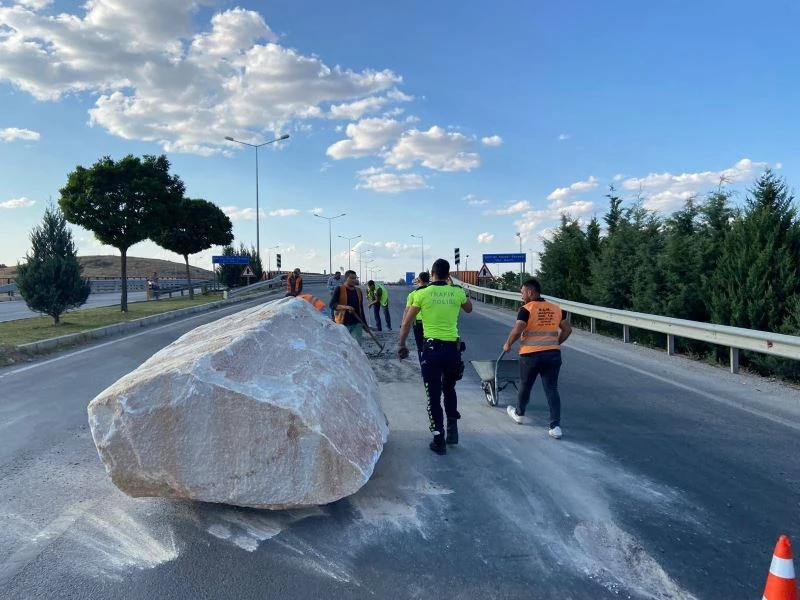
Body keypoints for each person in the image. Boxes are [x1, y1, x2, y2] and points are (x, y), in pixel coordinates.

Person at [398, 259, 472, 455]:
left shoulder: (422, 294)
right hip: (452, 351)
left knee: (433, 396)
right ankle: (453, 430)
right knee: (449, 389)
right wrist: (456, 289)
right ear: (448, 275)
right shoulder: (457, 291)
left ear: (431, 274)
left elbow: (407, 323)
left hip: (431, 351)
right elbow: (469, 308)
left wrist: (402, 344)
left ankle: (438, 441)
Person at [502, 277, 572, 439]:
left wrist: (508, 344)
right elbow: (567, 330)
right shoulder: (556, 308)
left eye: (522, 292)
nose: (521, 296)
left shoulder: (526, 309)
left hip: (530, 355)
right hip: (552, 354)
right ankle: (555, 427)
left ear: (530, 292)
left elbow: (518, 328)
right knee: (552, 389)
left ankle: (519, 414)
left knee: (525, 385)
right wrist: (555, 343)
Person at [329, 270, 366, 343]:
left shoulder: (358, 291)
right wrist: (346, 307)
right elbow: (332, 305)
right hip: (343, 324)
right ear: (346, 278)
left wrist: (365, 324)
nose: (354, 280)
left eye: (355, 278)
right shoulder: (339, 289)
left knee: (357, 345)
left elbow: (361, 308)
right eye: (352, 278)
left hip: (357, 323)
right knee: (346, 346)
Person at [402, 271, 429, 361]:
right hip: (430, 323)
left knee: (421, 347)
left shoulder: (413, 294)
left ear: (418, 280)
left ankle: (423, 365)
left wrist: (403, 324)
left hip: (418, 324)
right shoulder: (432, 292)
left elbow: (407, 310)